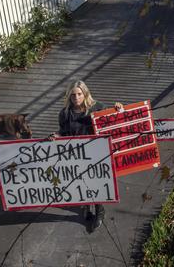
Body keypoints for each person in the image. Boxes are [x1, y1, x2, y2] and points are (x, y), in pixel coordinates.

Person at [57, 80, 123, 232]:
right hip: (77, 154)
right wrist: (56, 136)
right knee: (82, 180)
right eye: (73, 95)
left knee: (96, 180)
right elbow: (63, 132)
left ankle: (100, 209)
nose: (76, 98)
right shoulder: (65, 113)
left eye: (79, 94)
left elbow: (112, 119)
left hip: (95, 152)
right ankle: (86, 205)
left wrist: (118, 108)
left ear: (85, 93)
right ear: (69, 96)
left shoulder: (97, 107)